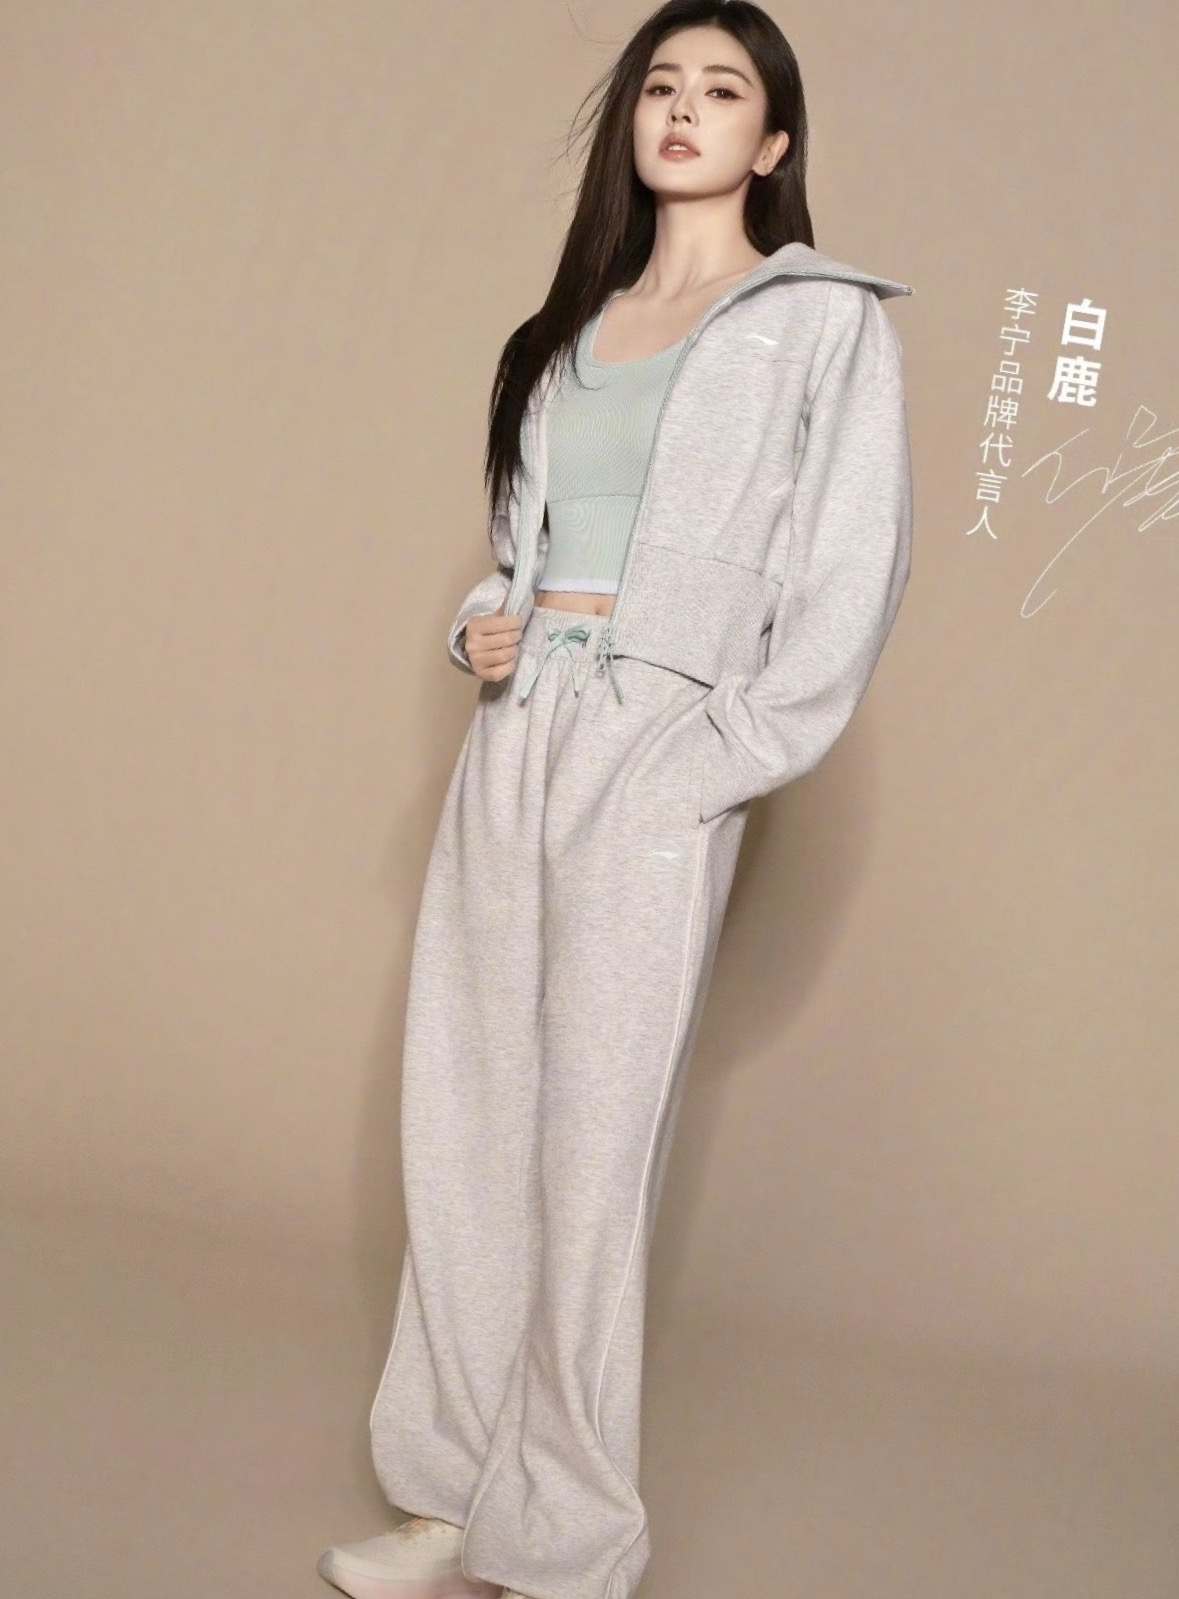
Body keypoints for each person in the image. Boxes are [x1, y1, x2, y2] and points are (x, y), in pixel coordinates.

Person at [319, 3, 914, 1598]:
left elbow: (852, 571)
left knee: (588, 1150)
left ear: (772, 143)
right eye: (662, 83)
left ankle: (565, 1540)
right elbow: (525, 546)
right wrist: (481, 625)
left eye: (723, 90)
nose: (684, 109)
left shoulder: (823, 323)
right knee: (466, 1108)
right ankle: (449, 1496)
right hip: (516, 731)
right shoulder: (570, 326)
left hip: (658, 743)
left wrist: (712, 761)